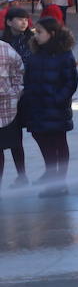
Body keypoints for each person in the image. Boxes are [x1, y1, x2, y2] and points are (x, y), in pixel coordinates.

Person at [22, 17, 77, 197]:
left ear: (51, 34)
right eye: (35, 32)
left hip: (55, 107)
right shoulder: (35, 54)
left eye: (40, 32)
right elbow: (28, 78)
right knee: (42, 139)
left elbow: (70, 83)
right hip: (37, 107)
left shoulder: (64, 54)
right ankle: (52, 175)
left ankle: (59, 181)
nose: (36, 35)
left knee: (58, 143)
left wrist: (57, 99)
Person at [0, 38, 24, 185]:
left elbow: (19, 71)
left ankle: (22, 175)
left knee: (14, 144)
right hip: (8, 104)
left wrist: (14, 92)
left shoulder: (5, 48)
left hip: (6, 106)